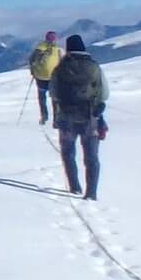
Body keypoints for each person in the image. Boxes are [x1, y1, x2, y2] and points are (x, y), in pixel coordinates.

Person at [49, 33, 107, 198]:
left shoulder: (60, 68)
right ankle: (91, 193)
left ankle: (74, 186)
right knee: (92, 157)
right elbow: (104, 93)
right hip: (90, 116)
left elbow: (53, 93)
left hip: (66, 117)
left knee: (68, 152)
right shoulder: (94, 67)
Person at [26, 30, 64, 124]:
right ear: (55, 39)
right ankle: (56, 119)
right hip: (53, 78)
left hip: (40, 78)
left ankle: (44, 116)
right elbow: (63, 62)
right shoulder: (58, 49)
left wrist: (33, 72)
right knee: (55, 99)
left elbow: (31, 60)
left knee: (42, 98)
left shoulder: (39, 48)